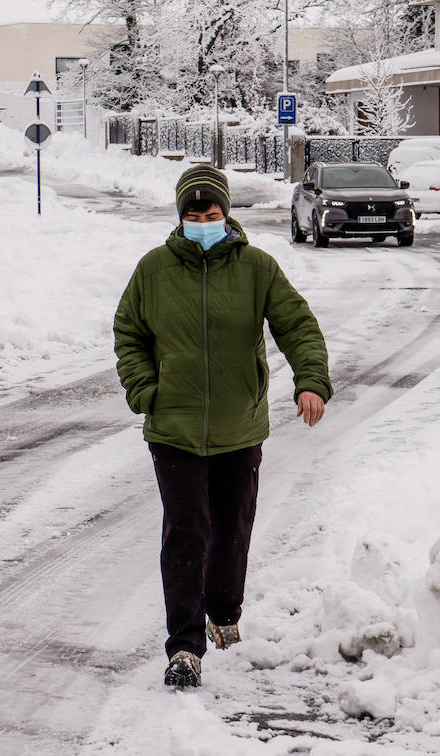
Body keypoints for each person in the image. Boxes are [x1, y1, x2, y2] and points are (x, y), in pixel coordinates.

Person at [114, 165, 332, 688]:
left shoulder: (257, 267)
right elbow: (129, 333)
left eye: (212, 214)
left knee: (232, 530)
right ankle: (184, 647)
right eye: (193, 214)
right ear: (180, 217)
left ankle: (224, 612)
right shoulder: (154, 270)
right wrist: (146, 391)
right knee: (187, 534)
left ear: (227, 215)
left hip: (239, 427)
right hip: (174, 430)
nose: (203, 221)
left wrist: (311, 381)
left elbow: (296, 324)